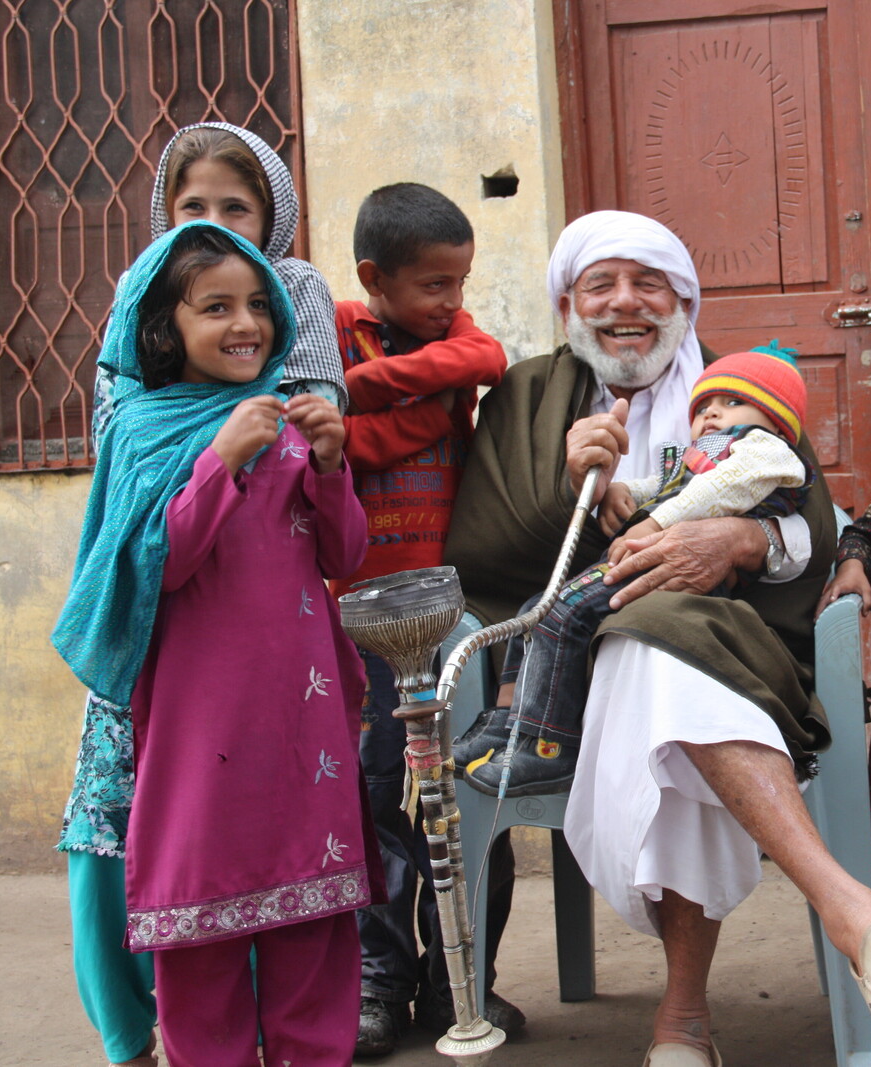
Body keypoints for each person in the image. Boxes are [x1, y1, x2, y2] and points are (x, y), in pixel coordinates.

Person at [445, 210, 871, 1065]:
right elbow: (484, 549)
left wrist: (741, 540)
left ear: (684, 298)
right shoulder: (528, 396)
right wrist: (568, 480)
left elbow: (807, 523)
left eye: (650, 283)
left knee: (663, 657)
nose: (627, 304)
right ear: (567, 303)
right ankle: (844, 923)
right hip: (572, 677)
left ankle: (689, 1015)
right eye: (601, 285)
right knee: (650, 650)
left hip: (735, 651)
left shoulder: (741, 389)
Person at [57, 121, 348, 1067]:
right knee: (198, 936)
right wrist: (220, 464)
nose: (245, 326)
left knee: (310, 927)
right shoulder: (145, 427)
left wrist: (334, 468)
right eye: (214, 308)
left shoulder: (293, 426)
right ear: (161, 324)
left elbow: (340, 549)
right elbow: (154, 562)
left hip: (296, 725)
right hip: (193, 725)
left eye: (258, 305)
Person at [330, 182, 513, 1057]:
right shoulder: (330, 327)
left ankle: (461, 984)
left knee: (472, 790)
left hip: (453, 613)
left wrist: (369, 393)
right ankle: (378, 981)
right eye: (434, 285)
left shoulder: (457, 333)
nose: (451, 302)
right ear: (375, 277)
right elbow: (331, 443)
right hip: (359, 618)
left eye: (459, 281)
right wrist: (403, 410)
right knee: (375, 799)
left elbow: (483, 360)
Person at [460, 344, 813, 797]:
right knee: (538, 608)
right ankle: (507, 723)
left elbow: (716, 491)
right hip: (654, 565)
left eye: (732, 402)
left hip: (688, 589)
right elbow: (669, 486)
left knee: (564, 611)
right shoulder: (700, 454)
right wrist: (625, 489)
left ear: (777, 419)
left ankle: (550, 745)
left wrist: (655, 521)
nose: (712, 413)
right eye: (703, 404)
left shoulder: (765, 451)